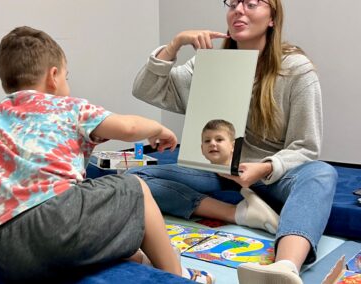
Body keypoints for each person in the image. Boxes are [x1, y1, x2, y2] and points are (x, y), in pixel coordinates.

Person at [0, 26, 215, 284]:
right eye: (67, 76)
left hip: (0, 248)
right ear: (53, 76)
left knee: (94, 211)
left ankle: (140, 259)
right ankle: (177, 273)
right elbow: (128, 127)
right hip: (53, 226)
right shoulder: (68, 106)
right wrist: (159, 129)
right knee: (135, 188)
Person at [127, 0, 338, 283]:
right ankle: (241, 214)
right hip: (217, 171)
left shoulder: (296, 69)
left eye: (251, 3)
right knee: (135, 178)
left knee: (322, 173)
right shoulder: (206, 64)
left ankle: (285, 267)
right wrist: (174, 45)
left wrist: (263, 168)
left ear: (272, 18)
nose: (239, 9)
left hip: (272, 175)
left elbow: (306, 145)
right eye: (233, 3)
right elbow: (145, 89)